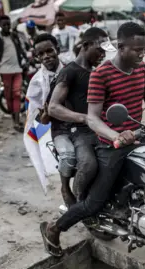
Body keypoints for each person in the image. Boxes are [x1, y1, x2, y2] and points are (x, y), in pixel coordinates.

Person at [39, 22, 145, 257]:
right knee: (94, 203)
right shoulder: (101, 74)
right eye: (136, 50)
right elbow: (92, 118)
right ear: (120, 47)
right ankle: (54, 228)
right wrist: (116, 136)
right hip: (111, 144)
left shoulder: (140, 69)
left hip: (137, 136)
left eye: (144, 49)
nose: (142, 54)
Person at [46, 27, 114, 208]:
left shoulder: (97, 72)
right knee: (89, 164)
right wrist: (84, 118)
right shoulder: (70, 71)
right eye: (99, 50)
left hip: (100, 127)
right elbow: (53, 107)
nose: (102, 55)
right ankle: (78, 203)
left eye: (104, 52)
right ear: (85, 45)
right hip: (80, 131)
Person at [0, 15, 27, 132]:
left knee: (17, 94)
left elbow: (21, 50)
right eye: (4, 25)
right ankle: (14, 118)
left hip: (17, 70)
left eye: (8, 24)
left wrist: (28, 60)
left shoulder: (14, 36)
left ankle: (16, 122)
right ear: (0, 26)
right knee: (8, 97)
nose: (7, 27)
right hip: (4, 71)